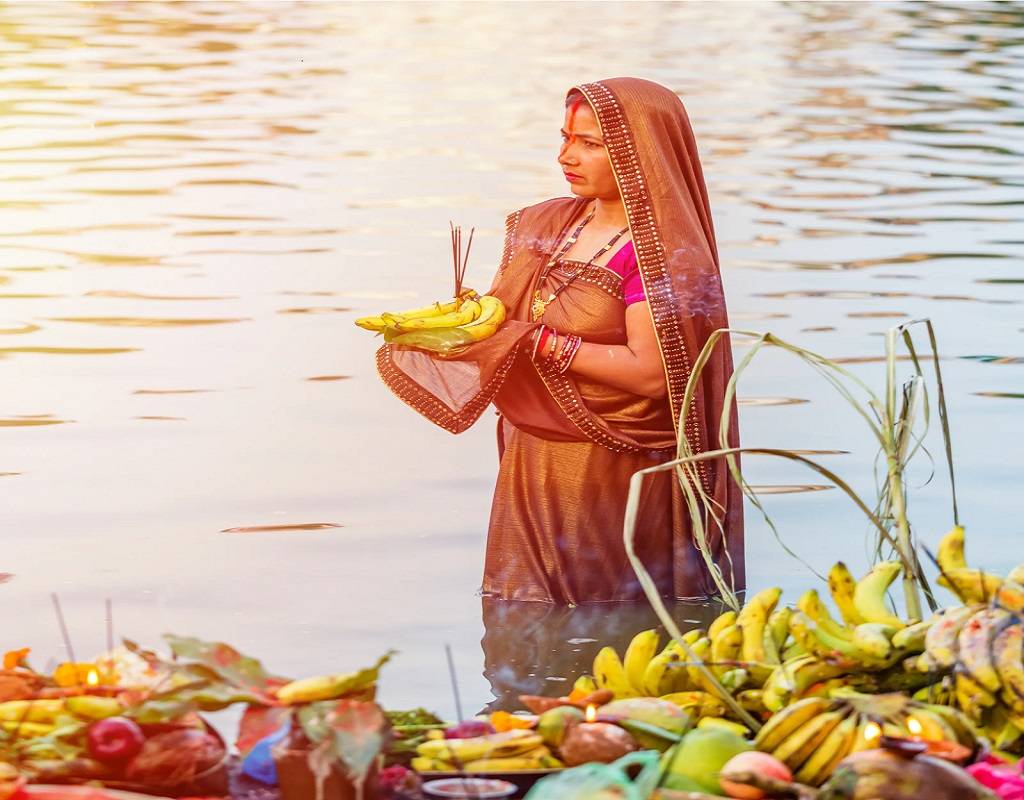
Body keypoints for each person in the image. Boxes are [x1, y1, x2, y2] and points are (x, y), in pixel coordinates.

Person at [376, 77, 743, 604]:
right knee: (517, 616)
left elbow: (652, 375)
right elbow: (508, 318)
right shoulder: (547, 225)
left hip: (611, 470)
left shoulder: (662, 255)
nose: (566, 156)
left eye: (590, 144)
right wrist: (457, 331)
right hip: (528, 458)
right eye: (565, 137)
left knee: (605, 621)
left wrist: (538, 344)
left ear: (641, 152)